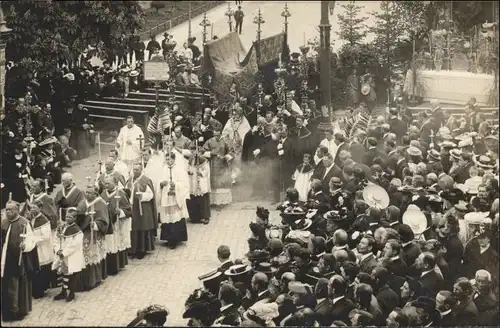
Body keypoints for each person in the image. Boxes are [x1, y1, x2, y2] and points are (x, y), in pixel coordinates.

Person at [1, 201, 38, 321]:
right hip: (5, 258)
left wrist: (25, 246)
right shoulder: (3, 222)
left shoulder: (24, 223)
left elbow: (32, 240)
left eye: (11, 209)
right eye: (6, 209)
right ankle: (7, 310)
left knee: (18, 284)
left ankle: (19, 310)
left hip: (19, 259)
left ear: (17, 210)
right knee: (6, 284)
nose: (8, 212)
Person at [76, 184, 109, 291]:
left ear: (95, 193)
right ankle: (81, 281)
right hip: (81, 232)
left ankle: (93, 279)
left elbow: (104, 220)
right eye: (86, 192)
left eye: (89, 193)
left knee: (92, 255)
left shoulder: (101, 204)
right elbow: (77, 215)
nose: (87, 194)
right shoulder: (82, 203)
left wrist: (95, 224)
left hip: (94, 233)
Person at [101, 175, 132, 275]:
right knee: (108, 244)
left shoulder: (121, 194)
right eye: (105, 183)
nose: (106, 185)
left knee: (115, 243)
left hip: (117, 225)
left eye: (108, 183)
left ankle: (115, 267)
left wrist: (121, 212)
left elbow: (128, 210)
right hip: (107, 224)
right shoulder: (103, 194)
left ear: (115, 183)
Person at [52, 207, 85, 302]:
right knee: (62, 272)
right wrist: (57, 249)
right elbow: (56, 239)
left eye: (70, 217)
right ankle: (63, 291)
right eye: (66, 217)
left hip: (72, 256)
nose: (67, 219)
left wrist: (64, 253)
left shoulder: (77, 231)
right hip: (61, 254)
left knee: (72, 274)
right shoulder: (62, 228)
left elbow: (74, 245)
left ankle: (72, 292)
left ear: (75, 218)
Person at [157, 152, 189, 249]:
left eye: (170, 159)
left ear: (174, 160)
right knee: (167, 217)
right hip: (166, 196)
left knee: (176, 217)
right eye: (167, 159)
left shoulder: (179, 169)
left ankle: (175, 239)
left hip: (175, 196)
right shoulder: (163, 169)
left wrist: (175, 185)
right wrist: (161, 184)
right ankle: (168, 238)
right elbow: (159, 181)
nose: (168, 161)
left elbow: (184, 183)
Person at [126, 162, 158, 259]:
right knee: (133, 228)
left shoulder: (146, 180)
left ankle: (142, 250)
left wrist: (142, 196)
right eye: (134, 169)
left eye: (137, 170)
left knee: (142, 227)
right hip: (132, 206)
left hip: (142, 208)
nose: (135, 171)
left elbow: (151, 195)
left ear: (141, 170)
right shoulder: (130, 179)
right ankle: (133, 249)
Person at [28, 199, 54, 299]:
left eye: (35, 208)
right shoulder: (32, 218)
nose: (32, 210)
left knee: (41, 270)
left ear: (40, 208)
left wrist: (35, 240)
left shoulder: (44, 220)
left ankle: (40, 290)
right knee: (36, 269)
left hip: (42, 248)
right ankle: (36, 290)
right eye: (31, 207)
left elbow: (46, 236)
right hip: (35, 248)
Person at [203, 122, 234, 206]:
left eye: (218, 135)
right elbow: (203, 152)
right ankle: (214, 202)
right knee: (213, 183)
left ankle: (222, 202)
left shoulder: (225, 141)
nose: (216, 137)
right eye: (215, 135)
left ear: (220, 134)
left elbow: (231, 151)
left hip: (223, 165)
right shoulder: (209, 141)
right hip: (212, 165)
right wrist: (211, 153)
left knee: (222, 183)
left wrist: (226, 157)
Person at [187, 144, 211, 225]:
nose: (192, 152)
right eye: (191, 151)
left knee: (203, 199)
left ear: (197, 151)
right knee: (193, 199)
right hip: (193, 180)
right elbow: (188, 168)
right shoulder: (190, 159)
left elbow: (207, 170)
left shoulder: (202, 159)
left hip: (201, 181)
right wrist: (188, 172)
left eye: (194, 150)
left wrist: (201, 173)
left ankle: (205, 217)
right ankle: (195, 218)